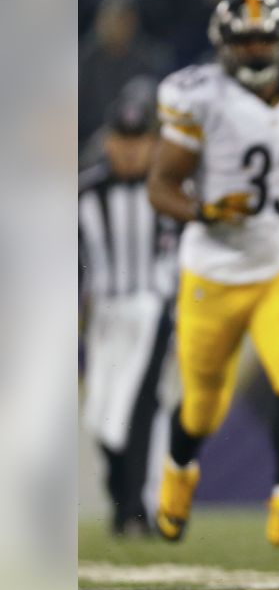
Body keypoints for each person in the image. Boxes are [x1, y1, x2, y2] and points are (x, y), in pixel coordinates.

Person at [147, 0, 279, 548]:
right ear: (224, 46)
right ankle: (178, 475)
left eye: (265, 38)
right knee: (202, 408)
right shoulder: (199, 97)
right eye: (246, 40)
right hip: (214, 275)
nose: (258, 50)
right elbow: (160, 185)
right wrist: (203, 210)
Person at [79, 86, 181, 537]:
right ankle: (124, 499)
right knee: (103, 413)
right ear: (108, 142)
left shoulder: (171, 194)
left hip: (152, 309)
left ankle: (137, 509)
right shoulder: (83, 194)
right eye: (123, 138)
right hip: (103, 316)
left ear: (154, 143)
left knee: (140, 405)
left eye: (140, 138)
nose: (131, 148)